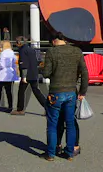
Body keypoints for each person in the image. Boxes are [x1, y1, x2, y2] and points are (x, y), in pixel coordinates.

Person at [41, 32, 89, 161]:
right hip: (71, 92)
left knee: (52, 124)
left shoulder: (51, 52)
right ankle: (69, 153)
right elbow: (85, 73)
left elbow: (46, 73)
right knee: (70, 123)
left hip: (56, 92)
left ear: (54, 40)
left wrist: (41, 68)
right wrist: (82, 91)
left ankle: (51, 154)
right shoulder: (77, 51)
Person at [12, 36, 47, 115]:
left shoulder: (22, 51)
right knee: (37, 91)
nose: (16, 44)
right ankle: (48, 108)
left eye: (16, 42)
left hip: (27, 74)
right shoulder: (31, 49)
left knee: (21, 92)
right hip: (33, 73)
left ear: (19, 43)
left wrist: (24, 76)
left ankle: (20, 109)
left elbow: (23, 64)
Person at [0, 41, 18, 113]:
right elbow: (15, 60)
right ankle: (10, 106)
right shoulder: (12, 52)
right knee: (9, 91)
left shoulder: (3, 53)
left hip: (3, 74)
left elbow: (1, 65)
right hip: (10, 74)